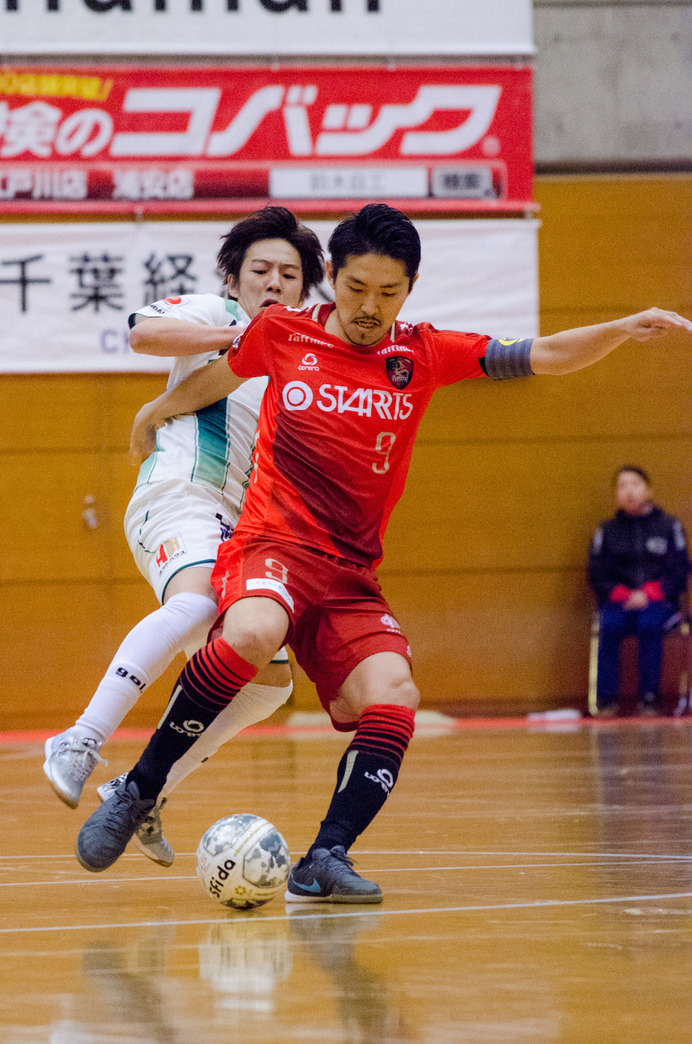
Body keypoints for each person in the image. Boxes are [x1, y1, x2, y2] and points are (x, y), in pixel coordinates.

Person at [74, 203, 692, 898]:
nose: (369, 307)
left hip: (349, 578)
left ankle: (326, 856)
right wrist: (155, 412)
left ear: (411, 286)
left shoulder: (420, 353)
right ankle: (136, 790)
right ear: (332, 276)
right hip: (271, 544)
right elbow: (217, 379)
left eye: (388, 293)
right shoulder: (282, 333)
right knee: (251, 630)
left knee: (395, 694)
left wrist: (618, 328)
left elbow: (542, 355)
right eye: (357, 288)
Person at [44, 206, 325, 866]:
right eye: (261, 269)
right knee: (197, 604)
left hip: (239, 527)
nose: (275, 281)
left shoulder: (304, 356)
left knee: (268, 681)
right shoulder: (209, 311)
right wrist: (235, 334)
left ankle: (143, 789)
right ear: (235, 278)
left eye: (290, 273)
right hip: (179, 494)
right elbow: (142, 333)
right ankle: (80, 739)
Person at [588, 465, 689, 716]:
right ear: (616, 496)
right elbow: (597, 573)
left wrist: (651, 593)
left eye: (634, 484)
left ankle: (649, 696)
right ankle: (607, 699)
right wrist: (623, 594)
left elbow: (680, 569)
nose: (629, 491)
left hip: (659, 602)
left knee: (649, 624)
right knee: (609, 626)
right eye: (622, 486)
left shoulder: (669, 527)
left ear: (648, 490)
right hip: (618, 602)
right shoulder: (606, 531)